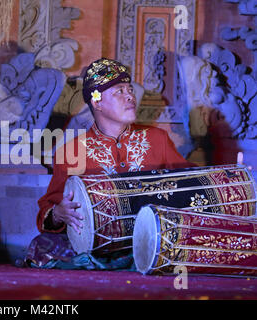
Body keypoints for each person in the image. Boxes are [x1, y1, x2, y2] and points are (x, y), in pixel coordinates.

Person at [25, 58, 196, 269]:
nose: (130, 96)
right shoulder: (71, 151)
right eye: (119, 92)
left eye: (130, 90)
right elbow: (49, 208)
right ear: (97, 102)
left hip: (154, 237)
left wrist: (228, 175)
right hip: (100, 242)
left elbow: (189, 177)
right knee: (41, 245)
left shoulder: (157, 138)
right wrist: (59, 214)